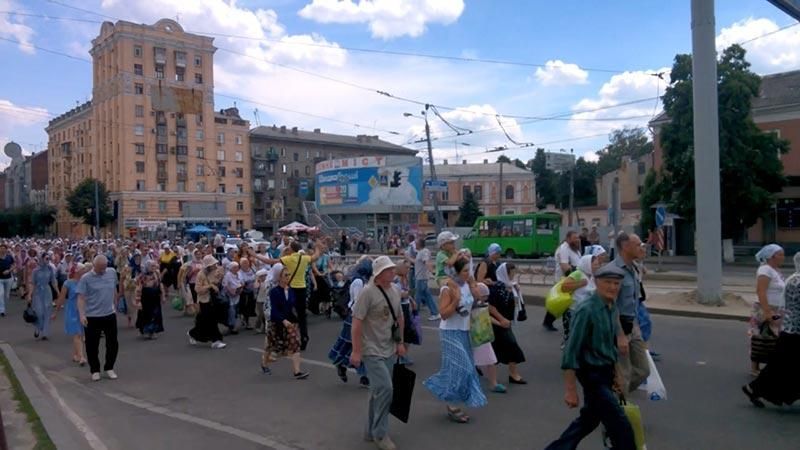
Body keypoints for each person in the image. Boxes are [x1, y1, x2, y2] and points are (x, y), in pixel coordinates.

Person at [545, 263, 635, 450]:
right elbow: (571, 350)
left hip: (605, 371)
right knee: (621, 425)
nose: (613, 287)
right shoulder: (586, 310)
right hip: (591, 375)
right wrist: (570, 389)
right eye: (608, 282)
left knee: (589, 420)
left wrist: (616, 374)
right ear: (597, 282)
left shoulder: (610, 307)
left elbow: (609, 347)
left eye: (616, 283)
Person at [350, 256, 405, 450]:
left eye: (392, 268)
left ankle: (370, 430)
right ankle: (381, 434)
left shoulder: (395, 290)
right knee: (386, 389)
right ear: (379, 274)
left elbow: (399, 317)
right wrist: (356, 351)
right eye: (388, 269)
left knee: (376, 390)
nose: (393, 271)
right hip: (371, 349)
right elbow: (356, 323)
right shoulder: (367, 292)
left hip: (388, 346)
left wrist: (401, 342)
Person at [424, 258, 488, 423]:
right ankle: (442, 391)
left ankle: (452, 404)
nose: (469, 274)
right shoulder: (448, 288)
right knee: (464, 368)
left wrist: (474, 286)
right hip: (450, 332)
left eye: (469, 270)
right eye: (465, 271)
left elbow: (479, 301)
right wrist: (455, 300)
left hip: (465, 331)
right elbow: (444, 314)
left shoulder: (467, 285)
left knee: (459, 369)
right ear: (457, 272)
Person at [743, 251, 800, 408]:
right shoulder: (797, 281)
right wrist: (769, 317)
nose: (782, 257)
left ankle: (755, 389)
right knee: (780, 365)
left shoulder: (791, 278)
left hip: (789, 328)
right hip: (794, 330)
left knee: (782, 365)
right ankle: (754, 387)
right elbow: (763, 294)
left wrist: (775, 321)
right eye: (779, 254)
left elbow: (783, 307)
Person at [256, 240, 325, 351]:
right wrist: (317, 247)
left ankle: (284, 339)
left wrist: (255, 255)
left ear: (291, 249)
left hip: (291, 288)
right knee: (302, 315)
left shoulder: (289, 259)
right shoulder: (304, 258)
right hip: (302, 288)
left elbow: (270, 261)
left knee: (285, 313)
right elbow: (315, 256)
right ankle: (304, 337)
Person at [613, 232, 650, 395]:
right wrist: (620, 335)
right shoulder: (614, 271)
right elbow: (610, 306)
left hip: (633, 326)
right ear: (625, 247)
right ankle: (617, 407)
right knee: (624, 373)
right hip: (619, 327)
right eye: (637, 245)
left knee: (643, 370)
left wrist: (636, 327)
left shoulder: (633, 267)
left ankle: (612, 397)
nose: (641, 247)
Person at [329, 257, 373, 387]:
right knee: (357, 346)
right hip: (357, 317)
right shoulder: (359, 281)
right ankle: (362, 375)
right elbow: (359, 302)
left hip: (357, 316)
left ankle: (359, 373)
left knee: (355, 346)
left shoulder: (361, 279)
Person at [261, 266, 310, 379]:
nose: (288, 277)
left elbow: (292, 306)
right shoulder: (274, 291)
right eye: (285, 275)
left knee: (295, 344)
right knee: (271, 345)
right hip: (276, 321)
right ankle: (264, 364)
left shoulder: (291, 290)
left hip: (290, 322)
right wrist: (283, 320)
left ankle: (297, 372)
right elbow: (274, 310)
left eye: (289, 275)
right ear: (279, 277)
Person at [77, 255, 120, 382]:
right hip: (92, 316)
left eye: (104, 267)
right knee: (92, 345)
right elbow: (81, 297)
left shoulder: (111, 273)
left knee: (113, 343)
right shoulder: (86, 278)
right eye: (100, 268)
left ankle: (109, 367)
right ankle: (95, 370)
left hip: (109, 314)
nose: (103, 270)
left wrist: (115, 305)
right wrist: (82, 314)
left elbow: (114, 290)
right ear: (94, 265)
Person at [749, 244, 786, 376]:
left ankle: (769, 367)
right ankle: (754, 368)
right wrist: (768, 312)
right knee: (761, 337)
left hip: (776, 310)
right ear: (771, 256)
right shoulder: (765, 270)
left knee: (772, 338)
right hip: (765, 309)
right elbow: (761, 291)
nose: (783, 257)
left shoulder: (775, 270)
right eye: (780, 254)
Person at [491, 262, 527, 384]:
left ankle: (511, 374)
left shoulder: (511, 286)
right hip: (497, 323)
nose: (513, 275)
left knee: (497, 349)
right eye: (511, 273)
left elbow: (516, 304)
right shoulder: (497, 288)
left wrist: (516, 291)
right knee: (511, 347)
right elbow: (490, 307)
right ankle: (511, 375)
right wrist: (501, 319)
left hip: (506, 323)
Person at [560, 254, 601, 345]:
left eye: (598, 264)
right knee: (574, 337)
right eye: (595, 265)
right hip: (575, 311)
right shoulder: (578, 273)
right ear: (587, 264)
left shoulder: (592, 275)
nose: (597, 267)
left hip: (588, 311)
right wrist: (580, 283)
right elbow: (564, 287)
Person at [545, 231, 582, 331]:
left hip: (572, 278)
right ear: (568, 238)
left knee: (561, 302)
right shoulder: (564, 248)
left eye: (578, 237)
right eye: (575, 238)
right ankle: (565, 325)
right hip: (565, 280)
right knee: (564, 302)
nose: (577, 240)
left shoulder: (575, 249)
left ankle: (547, 321)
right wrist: (572, 280)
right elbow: (565, 266)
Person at [473, 282, 506, 393]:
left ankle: (493, 383)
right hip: (473, 336)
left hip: (484, 335)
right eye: (484, 296)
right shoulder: (469, 305)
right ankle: (472, 384)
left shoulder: (483, 305)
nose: (485, 299)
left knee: (490, 359)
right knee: (471, 360)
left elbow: (487, 316)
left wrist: (499, 323)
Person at [187, 255, 226, 349]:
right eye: (213, 264)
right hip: (204, 300)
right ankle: (215, 340)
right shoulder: (201, 274)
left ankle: (192, 333)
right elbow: (197, 289)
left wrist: (220, 277)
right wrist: (210, 286)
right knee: (210, 320)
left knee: (204, 321)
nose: (215, 265)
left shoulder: (214, 272)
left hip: (212, 299)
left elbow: (216, 282)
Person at [54, 263, 89, 365]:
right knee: (77, 333)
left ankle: (76, 355)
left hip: (82, 310)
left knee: (79, 333)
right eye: (83, 269)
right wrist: (56, 311)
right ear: (76, 271)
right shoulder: (68, 283)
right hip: (72, 310)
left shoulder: (85, 282)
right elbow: (61, 298)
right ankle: (82, 357)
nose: (85, 271)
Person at [28, 253, 58, 340]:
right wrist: (30, 294)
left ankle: (45, 333)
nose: (47, 260)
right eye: (46, 258)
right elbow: (32, 283)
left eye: (49, 259)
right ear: (41, 259)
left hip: (47, 291)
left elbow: (53, 281)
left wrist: (58, 291)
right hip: (38, 292)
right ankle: (38, 327)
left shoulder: (50, 269)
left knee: (47, 312)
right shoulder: (36, 271)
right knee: (39, 312)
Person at [134, 261, 165, 340]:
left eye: (154, 266)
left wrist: (163, 296)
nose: (154, 267)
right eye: (152, 266)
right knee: (146, 315)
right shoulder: (142, 276)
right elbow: (138, 288)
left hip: (155, 297)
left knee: (156, 314)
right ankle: (146, 331)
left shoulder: (157, 273)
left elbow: (160, 284)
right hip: (145, 298)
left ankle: (153, 331)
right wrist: (138, 301)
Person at [413, 237, 439, 321]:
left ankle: (414, 314)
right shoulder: (420, 252)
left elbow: (427, 262)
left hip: (422, 278)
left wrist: (432, 271)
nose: (414, 244)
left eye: (416, 243)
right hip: (420, 277)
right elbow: (418, 262)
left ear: (419, 244)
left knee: (418, 296)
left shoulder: (424, 252)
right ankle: (435, 312)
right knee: (427, 296)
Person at [238, 258, 257, 329]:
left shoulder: (252, 269)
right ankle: (246, 321)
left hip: (252, 291)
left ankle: (246, 320)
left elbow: (256, 276)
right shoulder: (239, 272)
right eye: (244, 263)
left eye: (247, 262)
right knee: (245, 307)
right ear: (241, 265)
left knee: (250, 307)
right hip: (244, 292)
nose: (246, 264)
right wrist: (249, 281)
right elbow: (242, 281)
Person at [0, 243, 14, 317]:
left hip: (8, 278)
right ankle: (2, 310)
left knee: (6, 295)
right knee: (1, 294)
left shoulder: (9, 257)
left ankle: (4, 307)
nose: (2, 249)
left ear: (6, 249)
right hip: (0, 279)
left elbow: (13, 265)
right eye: (1, 248)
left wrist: (9, 270)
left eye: (4, 248)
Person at [254, 268, 270, 334]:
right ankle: (257, 326)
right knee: (260, 314)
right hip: (259, 300)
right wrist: (257, 280)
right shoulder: (258, 282)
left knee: (266, 315)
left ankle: (265, 328)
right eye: (262, 276)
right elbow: (255, 287)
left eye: (265, 275)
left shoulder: (268, 281)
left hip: (266, 300)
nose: (264, 277)